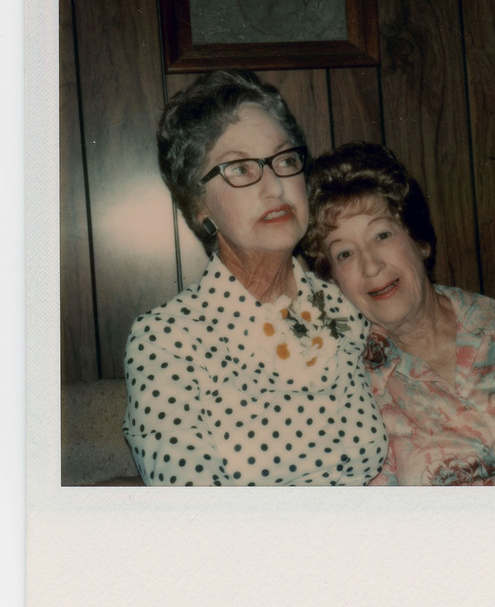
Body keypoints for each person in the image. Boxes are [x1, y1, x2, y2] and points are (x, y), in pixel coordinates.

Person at [122, 71, 388, 485]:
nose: (275, 188)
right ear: (199, 206)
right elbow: (194, 520)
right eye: (240, 169)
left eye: (284, 161)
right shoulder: (168, 339)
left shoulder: (346, 305)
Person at [302, 142, 495, 486]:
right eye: (344, 254)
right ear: (332, 279)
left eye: (382, 235)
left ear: (420, 242)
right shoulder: (351, 385)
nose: (371, 266)